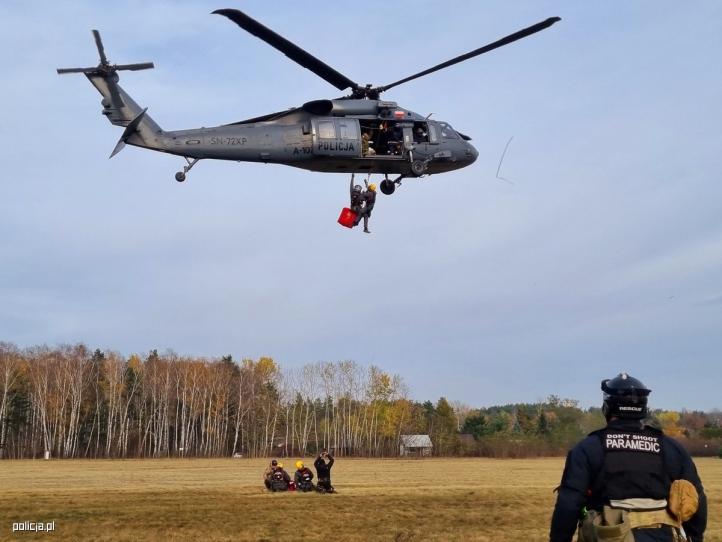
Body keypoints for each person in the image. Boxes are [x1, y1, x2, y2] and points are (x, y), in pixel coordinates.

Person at [550, 373, 707, 542]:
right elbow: (697, 499)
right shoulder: (672, 448)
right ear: (643, 407)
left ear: (607, 407)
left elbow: (568, 505)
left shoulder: (588, 448)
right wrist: (694, 537)